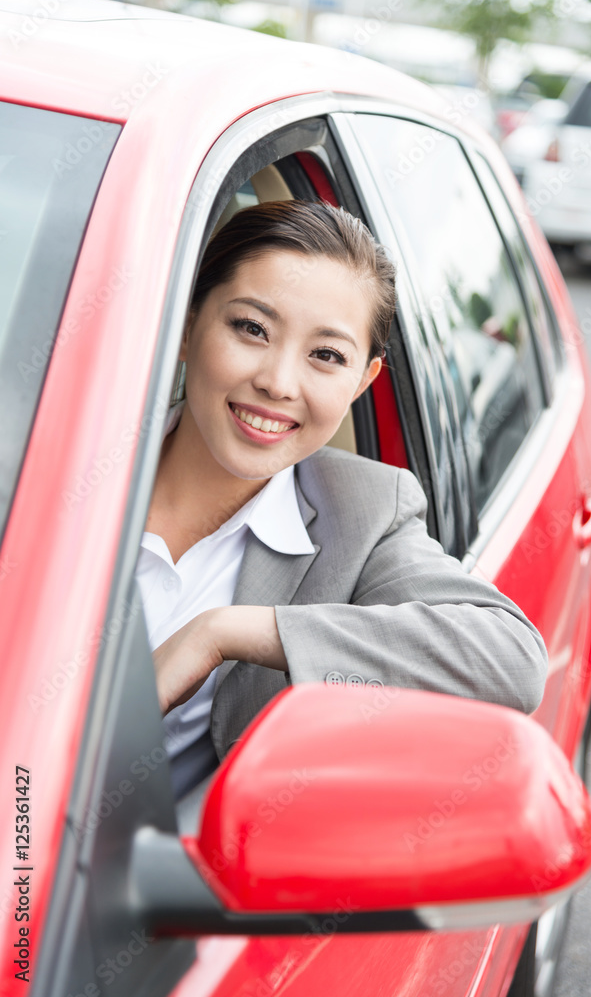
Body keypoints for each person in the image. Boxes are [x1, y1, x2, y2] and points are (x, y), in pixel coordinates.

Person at [137, 198, 548, 797]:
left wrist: (223, 632)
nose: (278, 382)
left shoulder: (364, 512)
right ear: (185, 326)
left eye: (325, 355)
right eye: (252, 328)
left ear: (363, 381)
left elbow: (511, 660)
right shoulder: (57, 462)